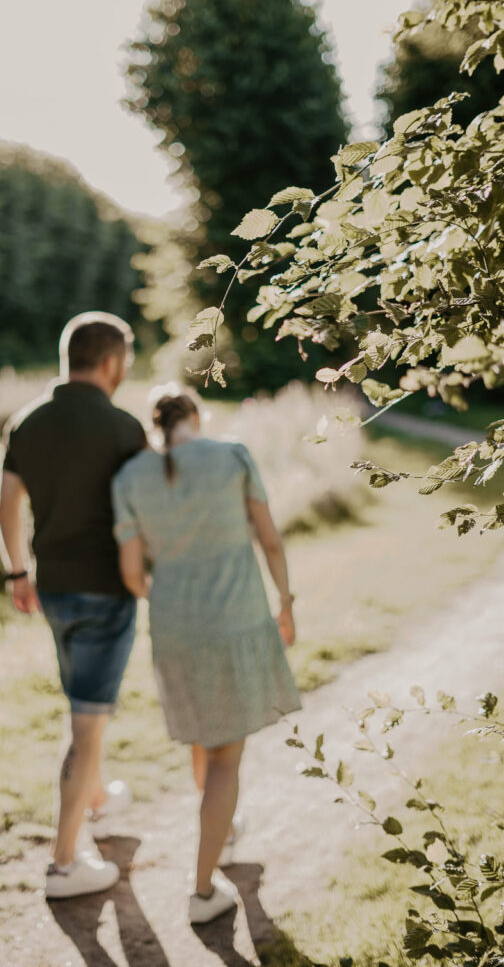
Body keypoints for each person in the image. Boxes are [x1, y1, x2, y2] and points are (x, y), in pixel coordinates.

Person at [111, 390, 301, 924]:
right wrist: (286, 603)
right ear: (196, 419)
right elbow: (271, 541)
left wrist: (172, 600)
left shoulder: (128, 478)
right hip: (234, 624)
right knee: (224, 757)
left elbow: (131, 576)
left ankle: (222, 830)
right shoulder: (232, 455)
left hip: (173, 631)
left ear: (159, 429)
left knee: (204, 738)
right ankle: (201, 891)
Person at [0, 312, 147, 899]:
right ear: (110, 362)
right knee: (88, 721)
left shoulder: (26, 422)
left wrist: (16, 571)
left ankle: (99, 799)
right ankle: (63, 864)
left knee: (85, 704)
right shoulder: (125, 427)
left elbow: (7, 506)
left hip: (51, 587)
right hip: (108, 591)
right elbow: (147, 512)